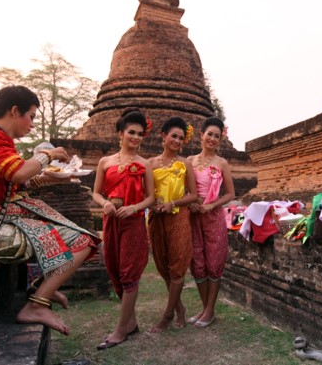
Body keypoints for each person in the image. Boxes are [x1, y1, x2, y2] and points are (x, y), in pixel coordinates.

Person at [0, 85, 100, 335]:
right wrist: (48, 154)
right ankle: (36, 304)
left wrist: (49, 179)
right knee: (84, 241)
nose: (32, 124)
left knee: (72, 234)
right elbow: (20, 172)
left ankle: (42, 287)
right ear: (15, 111)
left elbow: (15, 182)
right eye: (31, 116)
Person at [92, 108, 155, 349]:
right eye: (131, 132)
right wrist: (104, 203)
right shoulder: (105, 162)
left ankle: (120, 330)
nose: (136, 137)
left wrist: (134, 208)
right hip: (111, 221)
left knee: (129, 273)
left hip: (133, 221)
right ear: (121, 133)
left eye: (140, 133)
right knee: (114, 269)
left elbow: (151, 198)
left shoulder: (144, 164)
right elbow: (96, 193)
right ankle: (131, 322)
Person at [147, 116, 197, 332]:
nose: (177, 141)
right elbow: (147, 193)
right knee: (163, 265)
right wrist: (155, 205)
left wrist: (173, 203)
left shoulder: (185, 163)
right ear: (163, 137)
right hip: (157, 218)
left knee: (177, 267)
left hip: (178, 217)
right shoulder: (150, 163)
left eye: (180, 138)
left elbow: (193, 195)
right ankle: (180, 309)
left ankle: (167, 316)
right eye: (173, 136)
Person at [187, 117, 235, 328]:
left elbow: (231, 194)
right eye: (210, 135)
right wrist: (191, 203)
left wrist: (212, 204)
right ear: (201, 135)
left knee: (214, 263)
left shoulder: (221, 163)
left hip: (213, 217)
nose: (213, 139)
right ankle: (205, 308)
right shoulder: (190, 161)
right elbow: (185, 189)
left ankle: (210, 310)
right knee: (197, 262)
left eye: (217, 136)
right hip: (193, 216)